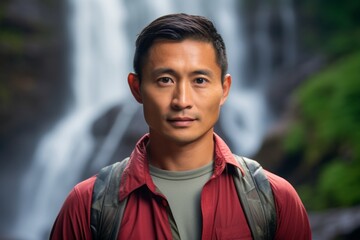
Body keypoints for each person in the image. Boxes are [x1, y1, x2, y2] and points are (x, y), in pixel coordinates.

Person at [50, 13, 311, 239]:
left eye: (199, 80)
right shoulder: (87, 206)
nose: (182, 101)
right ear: (136, 88)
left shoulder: (275, 200)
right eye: (165, 80)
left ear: (224, 89)